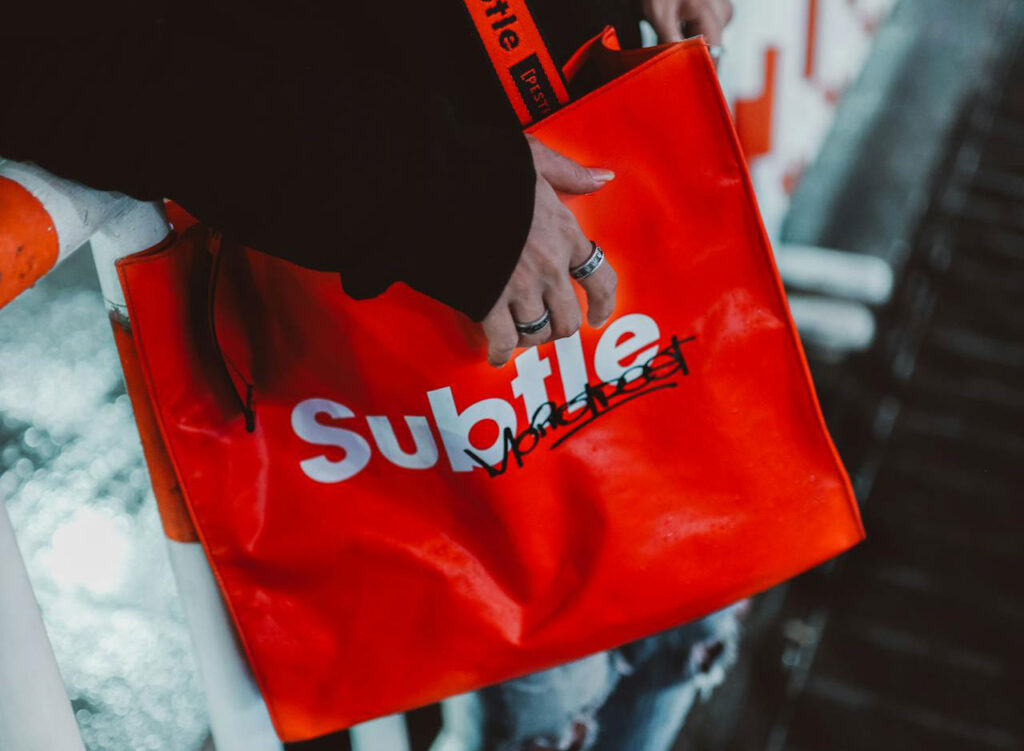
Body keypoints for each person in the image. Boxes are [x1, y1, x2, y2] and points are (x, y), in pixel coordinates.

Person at [2, 1, 737, 749]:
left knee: (691, 617)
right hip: (447, 284)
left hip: (599, 169)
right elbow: (43, 52)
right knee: (555, 697)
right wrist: (440, 196)